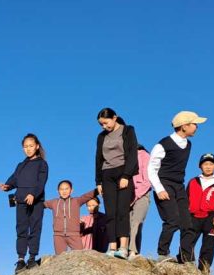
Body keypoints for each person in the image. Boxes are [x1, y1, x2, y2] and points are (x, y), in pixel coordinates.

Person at [148, 111, 205, 261]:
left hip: (179, 186)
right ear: (184, 126)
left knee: (187, 223)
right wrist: (159, 189)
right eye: (195, 124)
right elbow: (151, 168)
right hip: (164, 184)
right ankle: (163, 254)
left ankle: (186, 258)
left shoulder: (188, 144)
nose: (197, 127)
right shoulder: (163, 144)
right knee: (172, 220)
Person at [0, 134, 49, 272]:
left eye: (31, 146)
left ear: (37, 146)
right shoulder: (21, 165)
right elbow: (14, 179)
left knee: (35, 229)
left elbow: (41, 183)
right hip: (21, 201)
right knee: (21, 230)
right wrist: (7, 186)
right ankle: (21, 259)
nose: (28, 149)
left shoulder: (42, 164)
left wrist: (33, 194)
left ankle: (32, 257)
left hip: (36, 201)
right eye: (25, 146)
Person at [94, 108, 139, 258]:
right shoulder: (101, 136)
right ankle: (112, 247)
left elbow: (132, 154)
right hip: (107, 175)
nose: (104, 126)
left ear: (114, 118)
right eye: (101, 124)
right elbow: (98, 159)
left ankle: (123, 247)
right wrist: (98, 181)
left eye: (106, 123)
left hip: (123, 173)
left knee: (122, 211)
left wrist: (126, 175)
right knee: (110, 212)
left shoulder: (128, 130)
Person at [182, 153, 214, 272]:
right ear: (200, 166)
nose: (208, 167)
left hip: (211, 217)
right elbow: (186, 198)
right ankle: (187, 264)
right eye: (205, 164)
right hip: (193, 216)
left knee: (208, 245)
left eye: (211, 164)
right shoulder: (193, 181)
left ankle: (204, 269)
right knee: (187, 240)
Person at [44, 181, 96, 254]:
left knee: (80, 256)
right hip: (58, 236)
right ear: (58, 191)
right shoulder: (53, 202)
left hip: (74, 235)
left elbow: (87, 196)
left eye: (66, 189)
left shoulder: (76, 201)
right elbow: (41, 205)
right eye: (61, 189)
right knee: (60, 258)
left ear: (71, 190)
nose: (64, 191)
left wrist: (98, 190)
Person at [128, 144, 153, 259]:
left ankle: (133, 251)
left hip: (142, 194)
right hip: (129, 196)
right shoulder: (126, 157)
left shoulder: (144, 156)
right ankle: (128, 250)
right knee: (127, 224)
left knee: (136, 222)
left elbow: (147, 180)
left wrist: (136, 196)